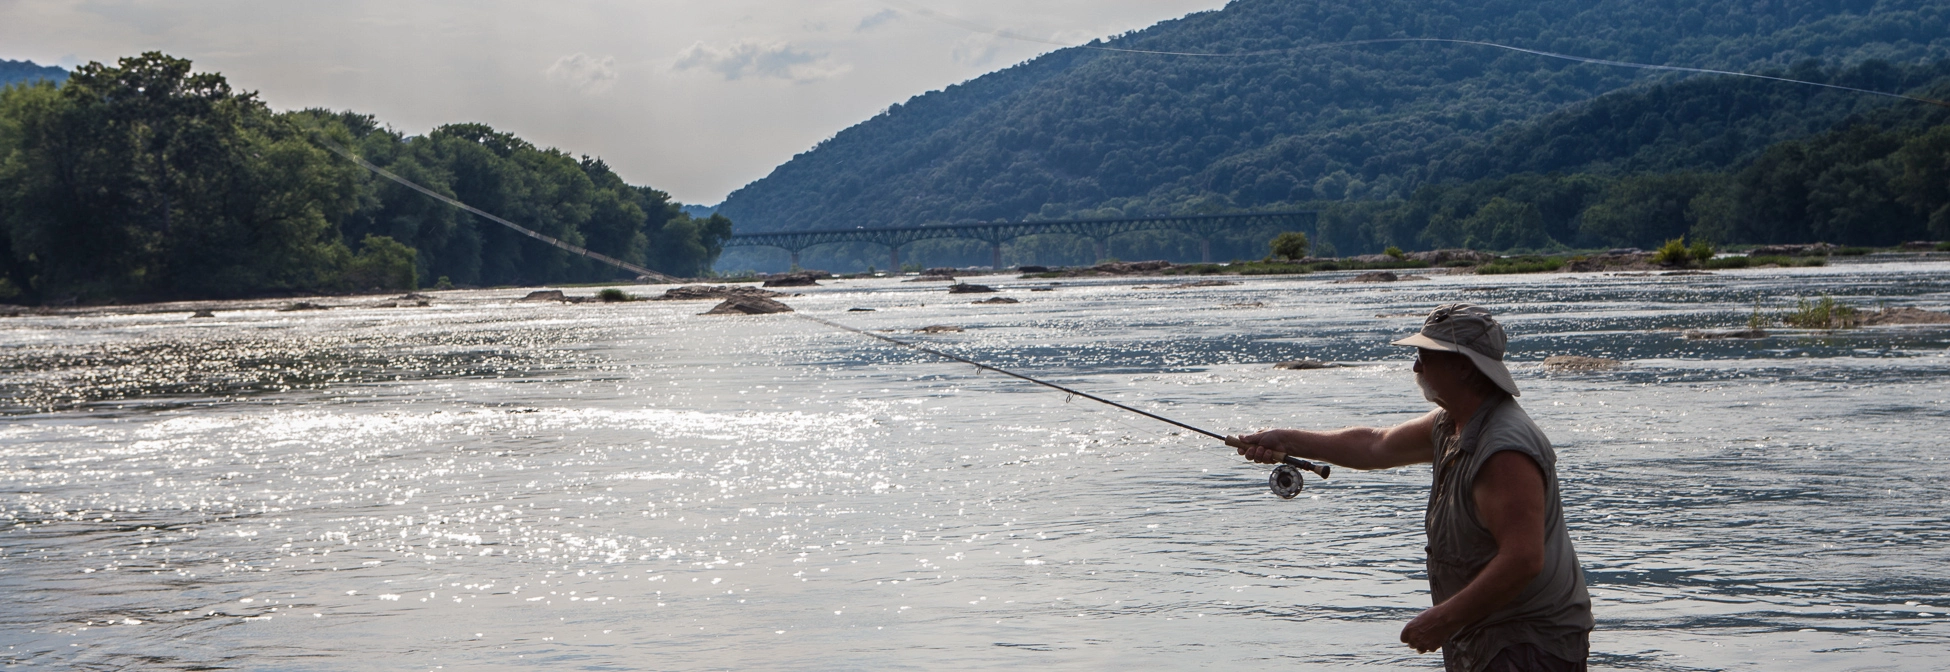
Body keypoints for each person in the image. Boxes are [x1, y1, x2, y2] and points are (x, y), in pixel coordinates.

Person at [1228, 303, 1593, 672]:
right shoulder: (1450, 422)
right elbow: (1375, 445)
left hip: (1528, 645)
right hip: (1488, 637)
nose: (1416, 367)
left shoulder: (1504, 451)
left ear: (1464, 367)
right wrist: (1284, 440)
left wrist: (1443, 619)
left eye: (1425, 356)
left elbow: (1523, 560)